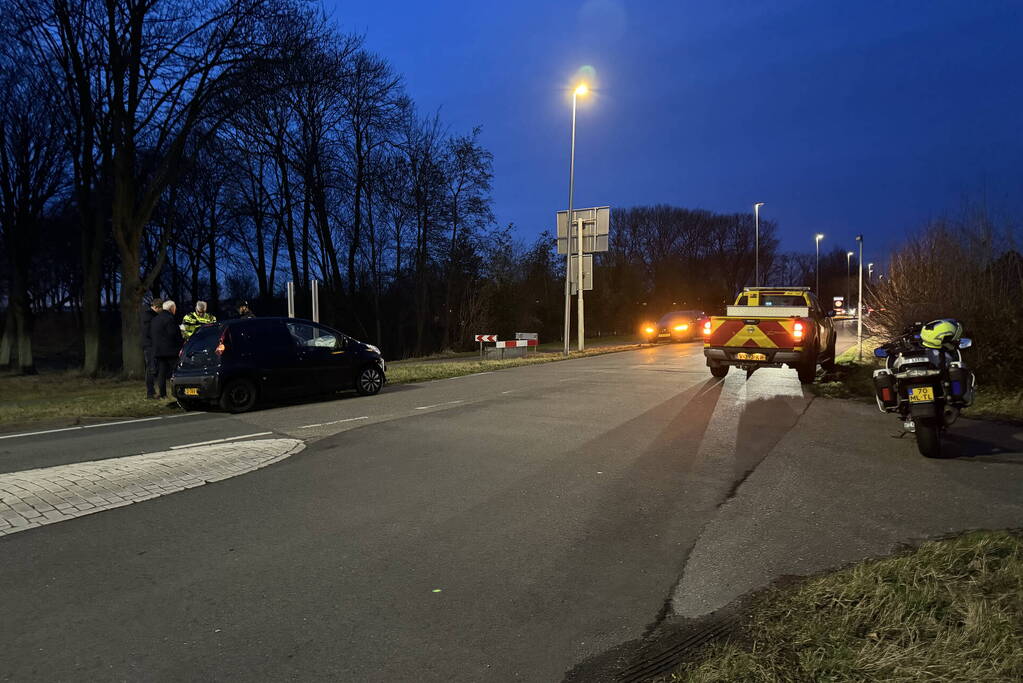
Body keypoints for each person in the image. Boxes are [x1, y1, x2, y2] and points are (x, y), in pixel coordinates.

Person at [150, 300, 183, 399]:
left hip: (158, 350)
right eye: (175, 308)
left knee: (162, 373)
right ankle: (180, 392)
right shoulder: (169, 319)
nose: (175, 310)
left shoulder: (155, 319)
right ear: (171, 308)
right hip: (170, 350)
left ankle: (163, 394)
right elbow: (173, 334)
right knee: (178, 371)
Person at [141, 297, 163, 399]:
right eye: (160, 309)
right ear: (157, 307)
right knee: (151, 368)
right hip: (150, 346)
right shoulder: (150, 316)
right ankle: (150, 392)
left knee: (152, 368)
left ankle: (152, 391)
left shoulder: (148, 315)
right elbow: (149, 332)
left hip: (149, 345)